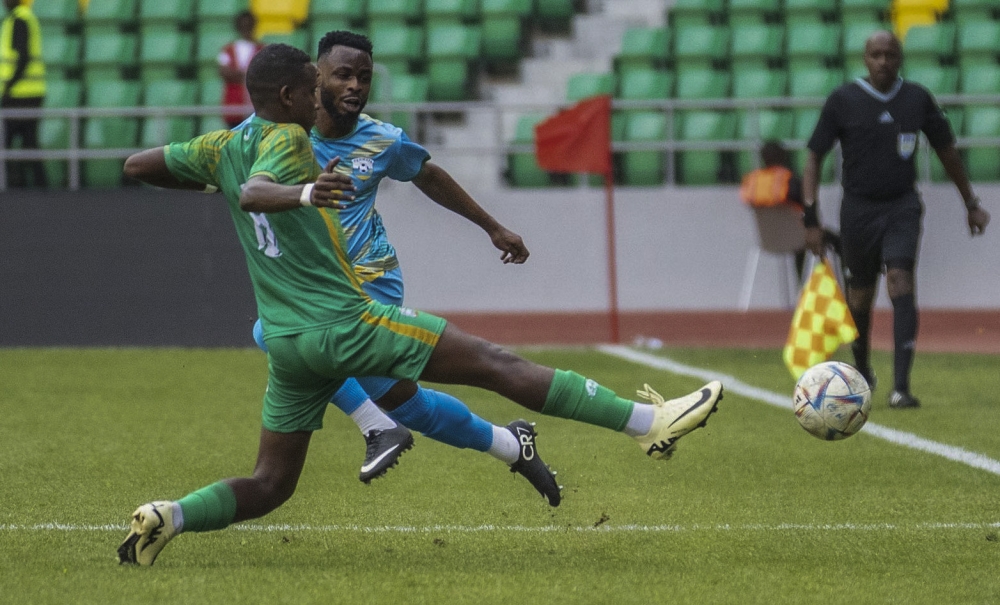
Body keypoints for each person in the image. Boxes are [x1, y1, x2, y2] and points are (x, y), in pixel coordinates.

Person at [116, 43, 724, 566]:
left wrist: (204, 176)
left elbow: (137, 164)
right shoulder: (287, 139)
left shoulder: (225, 144)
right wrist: (302, 191)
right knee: (494, 363)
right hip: (344, 325)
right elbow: (255, 192)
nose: (321, 99)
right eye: (311, 91)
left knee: (270, 483)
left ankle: (171, 516)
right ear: (288, 95)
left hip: (287, 342)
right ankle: (648, 425)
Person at [249, 30, 540, 487]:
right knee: (409, 403)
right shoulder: (278, 137)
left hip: (371, 278)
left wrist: (493, 227)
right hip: (322, 283)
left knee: (272, 330)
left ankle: (376, 428)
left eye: (364, 78)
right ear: (316, 77)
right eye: (343, 75)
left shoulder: (381, 140)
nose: (356, 87)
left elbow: (428, 175)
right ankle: (511, 443)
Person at [802, 30, 990, 409]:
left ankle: (901, 387)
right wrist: (810, 218)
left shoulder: (916, 98)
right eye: (876, 54)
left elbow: (947, 150)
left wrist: (970, 201)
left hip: (901, 206)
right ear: (865, 59)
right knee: (860, 295)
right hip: (857, 208)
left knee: (901, 281)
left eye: (890, 54)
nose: (883, 61)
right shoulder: (843, 100)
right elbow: (813, 156)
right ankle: (862, 370)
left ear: (900, 58)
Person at [740, 140, 839, 280]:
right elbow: (808, 210)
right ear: (783, 156)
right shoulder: (789, 181)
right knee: (833, 240)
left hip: (767, 241)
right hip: (798, 240)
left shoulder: (754, 182)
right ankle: (810, 286)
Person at [1, 0, 46, 188]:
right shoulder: (19, 18)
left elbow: (23, 57)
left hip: (21, 94)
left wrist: (7, 89)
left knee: (9, 143)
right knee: (29, 143)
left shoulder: (20, 19)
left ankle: (16, 186)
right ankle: (39, 186)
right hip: (29, 93)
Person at [218, 10, 264, 128]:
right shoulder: (228, 49)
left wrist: (238, 74)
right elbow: (223, 72)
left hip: (256, 106)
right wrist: (248, 75)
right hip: (233, 104)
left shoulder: (262, 49)